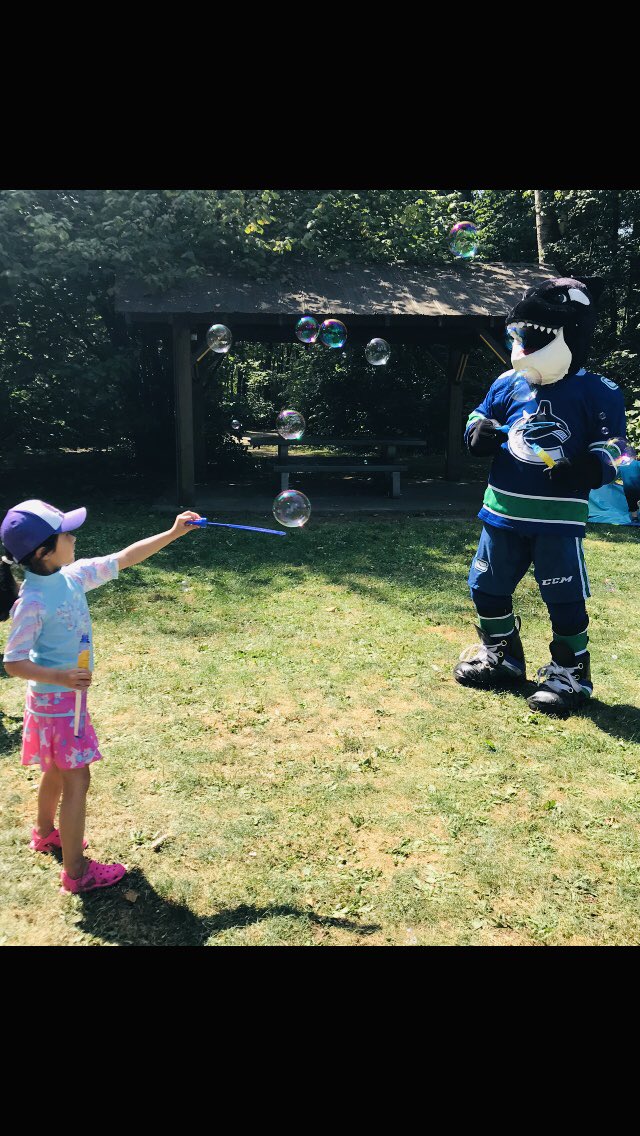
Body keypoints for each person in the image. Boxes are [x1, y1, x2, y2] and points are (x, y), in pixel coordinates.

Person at [1, 499, 201, 893]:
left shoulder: (72, 576)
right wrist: (61, 676)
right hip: (60, 706)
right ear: (43, 551)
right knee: (77, 781)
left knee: (56, 770)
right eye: (66, 534)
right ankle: (77, 874)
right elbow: (13, 663)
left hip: (55, 703)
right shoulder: (33, 602)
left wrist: (174, 531)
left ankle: (44, 833)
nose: (74, 537)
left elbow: (126, 557)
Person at [454, 275, 629, 715]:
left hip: (557, 519)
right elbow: (480, 415)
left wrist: (592, 466)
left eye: (534, 338)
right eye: (520, 336)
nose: (524, 346)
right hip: (501, 512)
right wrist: (476, 432)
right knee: (486, 589)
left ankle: (571, 671)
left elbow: (617, 446)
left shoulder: (598, 390)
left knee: (563, 598)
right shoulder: (507, 383)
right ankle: (503, 656)